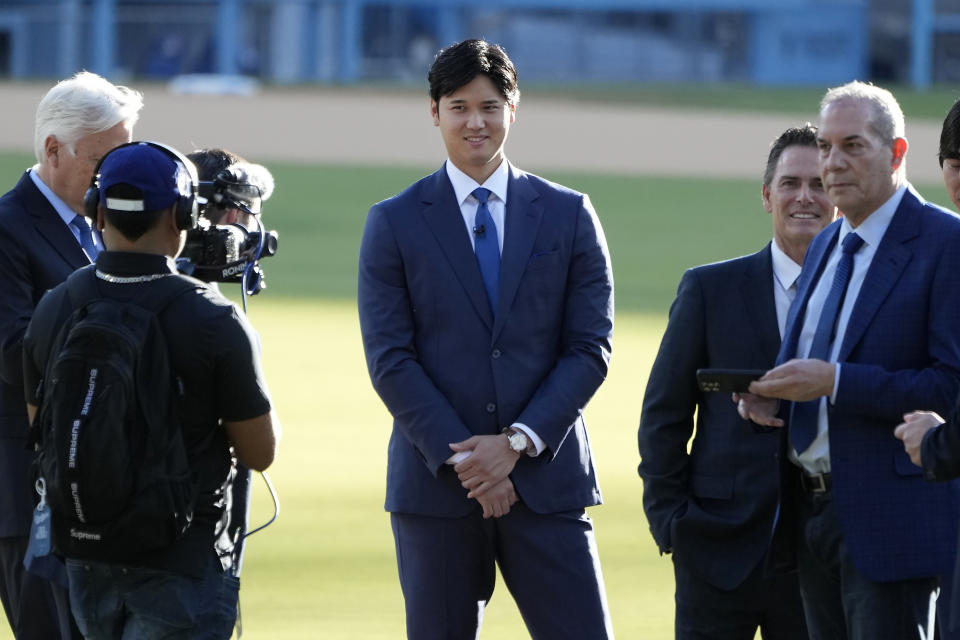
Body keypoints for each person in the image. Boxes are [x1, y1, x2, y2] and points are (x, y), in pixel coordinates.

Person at [358, 39, 615, 639]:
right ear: (434, 111)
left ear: (513, 109)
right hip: (436, 493)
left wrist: (517, 444)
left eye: (491, 105)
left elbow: (590, 348)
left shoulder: (568, 213)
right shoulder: (393, 222)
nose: (476, 121)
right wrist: (471, 461)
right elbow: (390, 359)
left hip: (546, 486)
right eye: (459, 106)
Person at [21, 141, 279, 638]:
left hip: (84, 559)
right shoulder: (213, 319)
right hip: (181, 563)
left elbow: (43, 426)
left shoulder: (56, 306)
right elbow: (259, 451)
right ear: (182, 215)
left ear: (98, 213)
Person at [737, 81, 960, 639]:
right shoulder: (829, 244)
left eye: (853, 146)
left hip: (890, 521)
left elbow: (949, 386)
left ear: (898, 153)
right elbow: (809, 367)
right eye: (827, 146)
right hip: (808, 515)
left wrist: (836, 382)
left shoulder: (944, 243)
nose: (833, 163)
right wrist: (770, 396)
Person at [639, 124, 834, 640]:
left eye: (819, 185)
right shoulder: (710, 289)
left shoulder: (860, 298)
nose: (805, 197)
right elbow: (664, 412)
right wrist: (671, 521)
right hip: (715, 549)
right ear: (767, 195)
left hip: (824, 552)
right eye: (791, 183)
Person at [0, 70, 142, 640]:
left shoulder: (101, 223)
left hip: (94, 486)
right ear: (54, 150)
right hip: (26, 487)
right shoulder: (8, 227)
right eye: (104, 161)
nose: (117, 176)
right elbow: (13, 353)